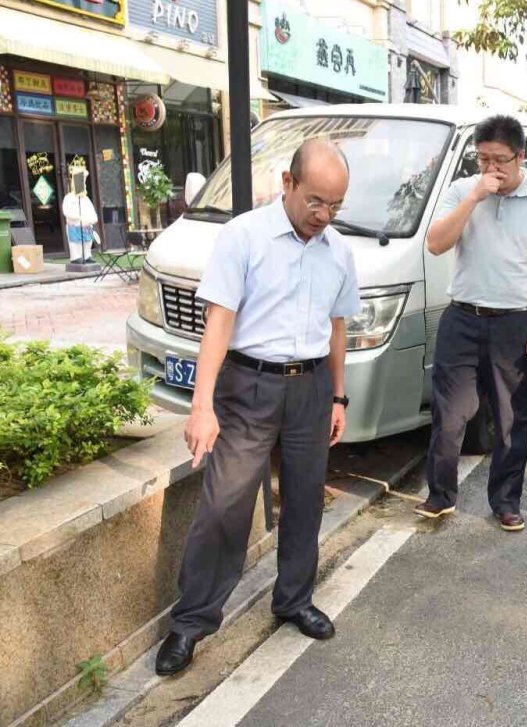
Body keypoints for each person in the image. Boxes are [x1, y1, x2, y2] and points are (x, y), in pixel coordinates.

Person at [155, 139, 361, 676]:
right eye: (315, 201)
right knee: (225, 505)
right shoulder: (243, 236)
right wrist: (202, 407)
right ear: (288, 184)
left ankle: (294, 599)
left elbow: (337, 328)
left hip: (312, 389)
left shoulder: (338, 250)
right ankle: (192, 621)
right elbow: (218, 322)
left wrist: (338, 396)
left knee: (304, 501)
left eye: (335, 206)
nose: (324, 215)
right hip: (249, 386)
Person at [413, 115, 527, 532]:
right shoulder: (463, 190)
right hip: (462, 316)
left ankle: (506, 500)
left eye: (500, 160)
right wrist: (474, 198)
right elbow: (435, 242)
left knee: (509, 419)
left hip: (516, 323)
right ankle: (440, 494)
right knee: (449, 414)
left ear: (520, 157)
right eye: (483, 159)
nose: (491, 168)